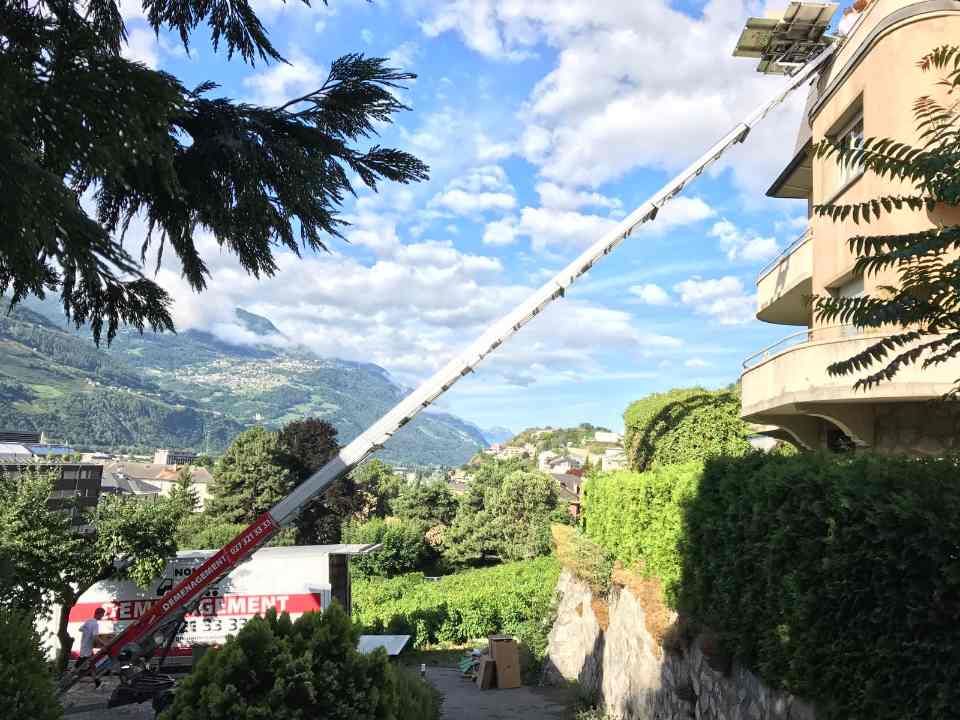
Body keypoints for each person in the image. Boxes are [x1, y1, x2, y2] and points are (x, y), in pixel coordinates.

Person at [76, 607, 105, 688]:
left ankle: (97, 681)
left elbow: (80, 629)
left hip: (84, 646)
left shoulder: (89, 621)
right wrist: (104, 645)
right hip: (87, 649)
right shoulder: (95, 624)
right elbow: (96, 637)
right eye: (102, 615)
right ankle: (69, 677)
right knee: (79, 666)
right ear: (98, 614)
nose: (102, 617)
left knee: (92, 664)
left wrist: (87, 633)